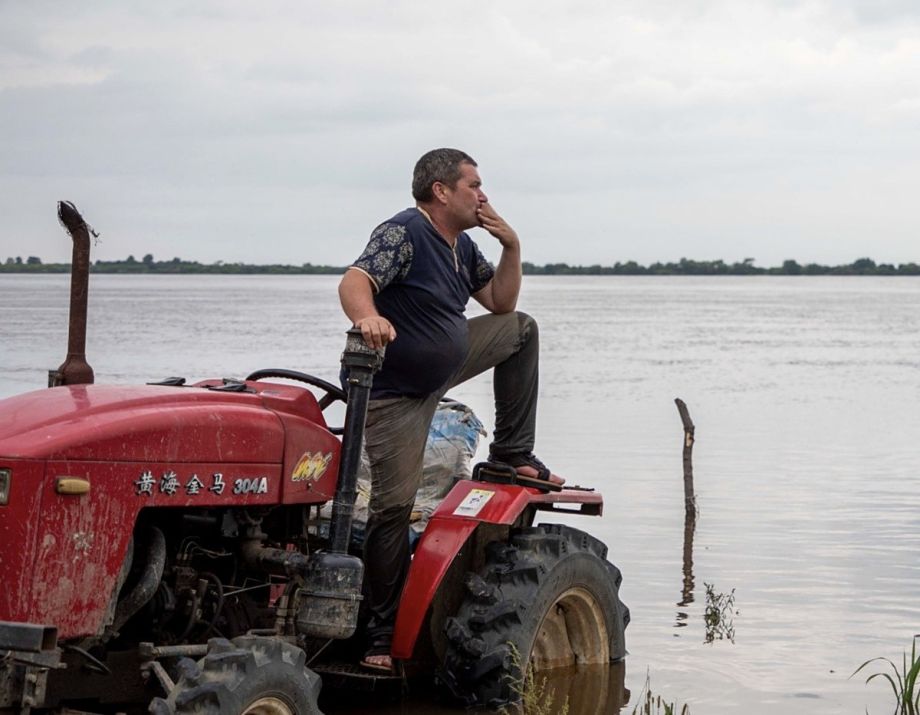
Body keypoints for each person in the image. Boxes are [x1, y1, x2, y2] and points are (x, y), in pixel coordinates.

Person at [338, 148, 562, 673]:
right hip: (395, 394)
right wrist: (368, 318)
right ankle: (380, 633)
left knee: (520, 330)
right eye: (473, 186)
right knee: (392, 509)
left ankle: (511, 452)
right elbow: (355, 281)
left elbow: (501, 304)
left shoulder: (462, 246)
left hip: (444, 368)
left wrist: (511, 245)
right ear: (441, 191)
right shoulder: (404, 232)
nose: (482, 196)